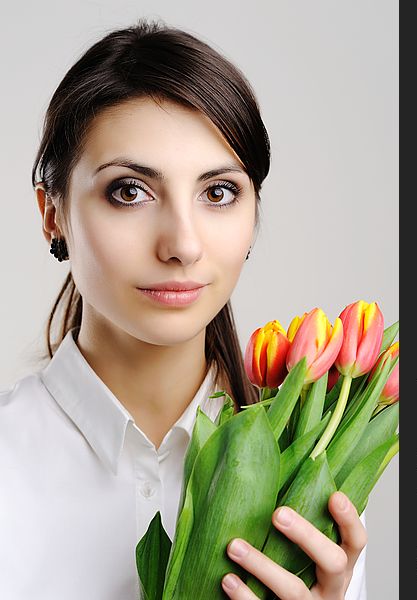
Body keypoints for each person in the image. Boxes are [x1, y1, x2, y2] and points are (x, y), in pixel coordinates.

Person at [0, 18, 367, 600]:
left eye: (218, 193)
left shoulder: (309, 473)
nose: (183, 244)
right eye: (129, 191)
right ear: (53, 213)